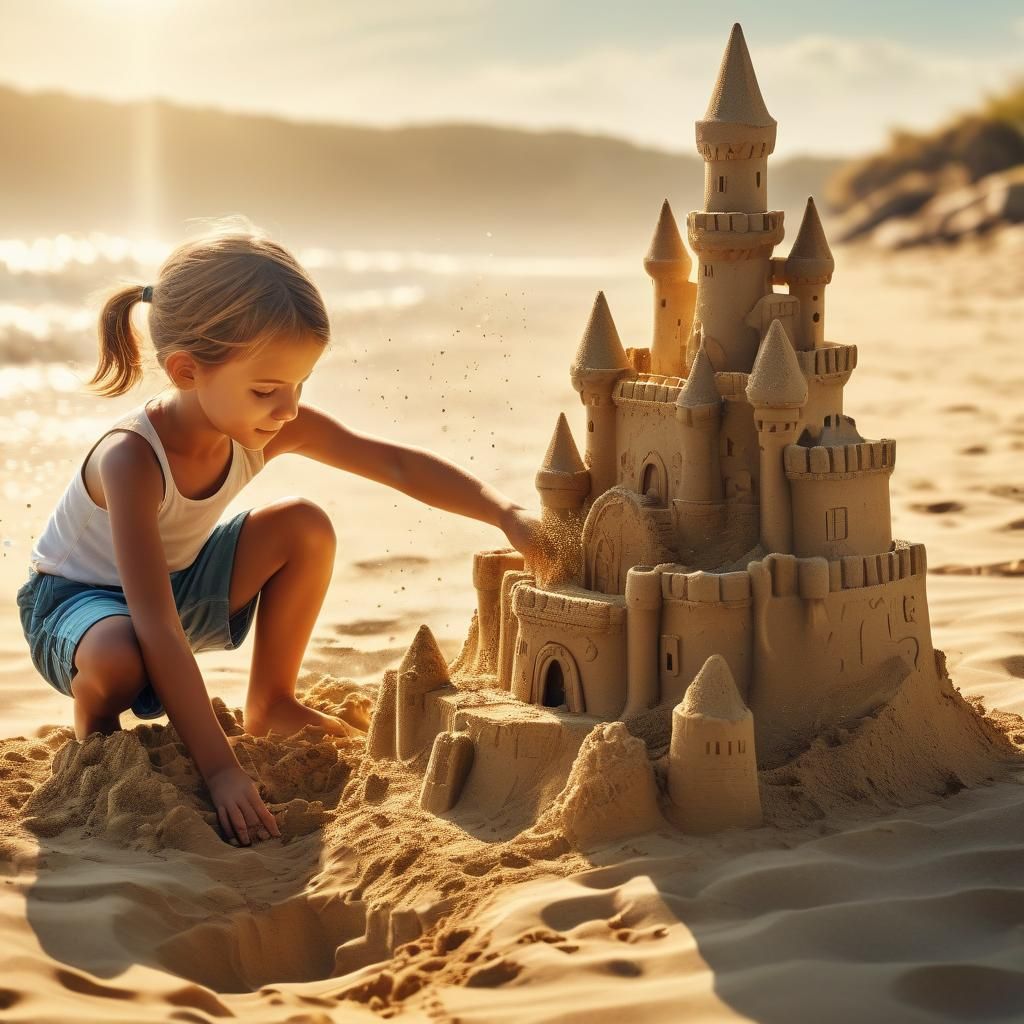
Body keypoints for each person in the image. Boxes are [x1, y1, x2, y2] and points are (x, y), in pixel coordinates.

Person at [15, 223, 543, 848]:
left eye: (299, 386)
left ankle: (273, 701)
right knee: (120, 655)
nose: (288, 409)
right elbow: (154, 624)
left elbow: (394, 464)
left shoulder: (265, 424)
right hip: (77, 605)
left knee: (303, 526)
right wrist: (220, 771)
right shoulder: (131, 460)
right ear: (185, 371)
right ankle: (96, 733)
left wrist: (506, 514)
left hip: (175, 581)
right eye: (267, 390)